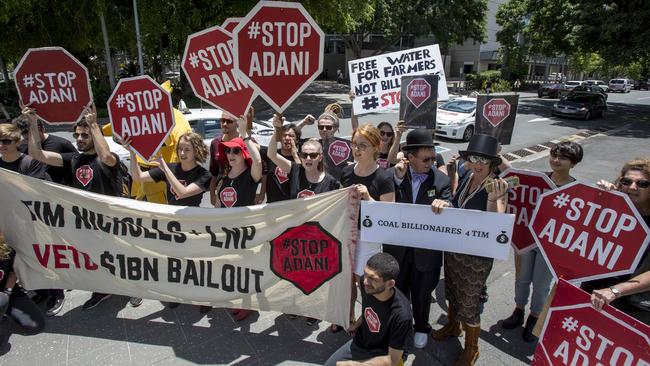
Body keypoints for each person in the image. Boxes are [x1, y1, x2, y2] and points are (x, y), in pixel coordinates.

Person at [23, 104, 129, 310]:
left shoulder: (109, 159)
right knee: (96, 259)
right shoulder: (73, 159)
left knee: (120, 258)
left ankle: (132, 290)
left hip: (111, 222)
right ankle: (102, 290)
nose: (79, 139)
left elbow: (106, 156)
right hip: (86, 223)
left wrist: (94, 125)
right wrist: (33, 123)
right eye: (77, 135)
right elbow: (37, 154)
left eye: (84, 135)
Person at [430, 134, 509, 366]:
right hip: (455, 248)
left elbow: (498, 224)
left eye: (483, 160)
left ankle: (472, 349)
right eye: (473, 157)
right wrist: (446, 204)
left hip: (477, 256)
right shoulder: (468, 176)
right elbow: (457, 203)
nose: (477, 163)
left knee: (470, 301)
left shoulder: (498, 184)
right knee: (452, 290)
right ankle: (454, 326)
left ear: (493, 162)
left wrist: (494, 200)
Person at [501, 141, 583, 342]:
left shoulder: (577, 189)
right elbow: (509, 179)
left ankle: (534, 318)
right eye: (553, 155)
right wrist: (497, 156)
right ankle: (518, 310)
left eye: (562, 157)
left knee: (541, 285)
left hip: (550, 247)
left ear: (573, 163)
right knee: (521, 279)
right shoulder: (539, 179)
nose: (556, 160)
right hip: (525, 239)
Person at [126, 132, 212, 311]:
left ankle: (203, 298)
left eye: (187, 149)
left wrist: (164, 167)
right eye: (180, 148)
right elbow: (138, 177)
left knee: (195, 264)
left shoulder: (204, 174)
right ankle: (178, 294)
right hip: (173, 225)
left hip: (193, 226)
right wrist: (132, 153)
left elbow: (182, 192)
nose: (182, 152)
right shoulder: (171, 167)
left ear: (197, 151)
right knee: (176, 262)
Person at [267, 116, 340, 325]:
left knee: (314, 275)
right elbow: (271, 154)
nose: (308, 158)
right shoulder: (295, 170)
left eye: (313, 154)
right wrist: (276, 130)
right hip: (295, 235)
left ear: (320, 156)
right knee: (293, 272)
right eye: (305, 154)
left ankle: (314, 309)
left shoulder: (331, 182)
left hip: (317, 238)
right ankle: (295, 305)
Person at [383, 129, 452, 349]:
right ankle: (400, 328)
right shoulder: (395, 175)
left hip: (427, 252)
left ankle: (422, 326)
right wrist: (397, 178)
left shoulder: (440, 179)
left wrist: (447, 206)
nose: (431, 162)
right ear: (409, 157)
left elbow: (452, 207)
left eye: (433, 158)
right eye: (426, 159)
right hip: (398, 250)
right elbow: (382, 201)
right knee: (398, 292)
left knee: (423, 294)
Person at [338, 124, 395, 333]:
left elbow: (388, 215)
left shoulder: (384, 177)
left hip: (369, 238)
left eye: (362, 145)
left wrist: (368, 198)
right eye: (354, 144)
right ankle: (348, 316)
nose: (356, 149)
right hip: (347, 233)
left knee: (366, 283)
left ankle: (367, 322)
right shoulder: (345, 171)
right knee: (347, 282)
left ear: (375, 147)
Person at [584, 158, 650, 323]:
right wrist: (601, 200)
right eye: (627, 181)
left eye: (642, 184)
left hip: (630, 306)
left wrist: (615, 291)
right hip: (591, 291)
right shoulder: (613, 207)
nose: (632, 187)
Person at [324, 253, 413, 366]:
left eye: (373, 279)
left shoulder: (401, 316)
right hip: (362, 344)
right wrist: (356, 325)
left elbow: (392, 360)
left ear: (390, 284)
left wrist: (355, 364)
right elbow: (369, 310)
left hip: (385, 354)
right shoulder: (367, 285)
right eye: (365, 274)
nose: (365, 281)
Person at [214, 115, 263, 321]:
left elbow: (259, 161)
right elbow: (218, 205)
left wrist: (244, 135)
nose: (231, 154)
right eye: (228, 150)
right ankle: (236, 299)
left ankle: (248, 303)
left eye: (235, 150)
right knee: (232, 268)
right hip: (227, 232)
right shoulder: (224, 176)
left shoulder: (250, 176)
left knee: (245, 268)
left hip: (246, 233)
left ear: (243, 153)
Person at [0, 233, 46, 354]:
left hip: (6, 292)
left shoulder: (5, 246)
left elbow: (13, 272)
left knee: (35, 325)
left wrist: (7, 292)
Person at [209, 108, 256, 207]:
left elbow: (262, 169)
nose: (225, 124)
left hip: (244, 191)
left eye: (229, 121)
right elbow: (213, 172)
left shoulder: (248, 141)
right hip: (223, 192)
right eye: (222, 120)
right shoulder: (215, 143)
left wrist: (262, 193)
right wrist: (212, 194)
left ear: (237, 123)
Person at [14, 118, 76, 185]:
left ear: (42, 129)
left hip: (59, 190)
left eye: (33, 136)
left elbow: (78, 166)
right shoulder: (21, 146)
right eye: (27, 138)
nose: (31, 141)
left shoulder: (63, 144)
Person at [261, 123, 301, 203]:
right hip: (272, 204)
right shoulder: (272, 154)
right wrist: (262, 193)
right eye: (284, 135)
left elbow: (302, 175)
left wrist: (295, 155)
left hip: (293, 205)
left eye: (291, 136)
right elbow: (265, 175)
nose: (287, 138)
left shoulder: (303, 157)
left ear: (297, 140)